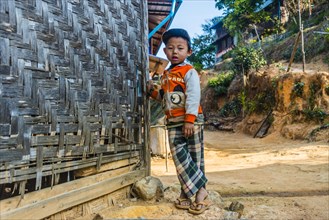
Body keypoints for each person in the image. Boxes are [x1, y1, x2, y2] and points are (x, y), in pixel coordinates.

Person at [147, 28, 211, 215]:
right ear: (165, 51)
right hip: (173, 121)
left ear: (188, 52)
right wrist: (151, 89)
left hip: (191, 121)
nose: (175, 52)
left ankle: (193, 193)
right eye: (170, 48)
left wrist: (189, 120)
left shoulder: (189, 71)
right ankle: (195, 190)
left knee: (194, 157)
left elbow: (193, 95)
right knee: (180, 158)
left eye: (180, 48)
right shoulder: (166, 74)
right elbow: (163, 97)